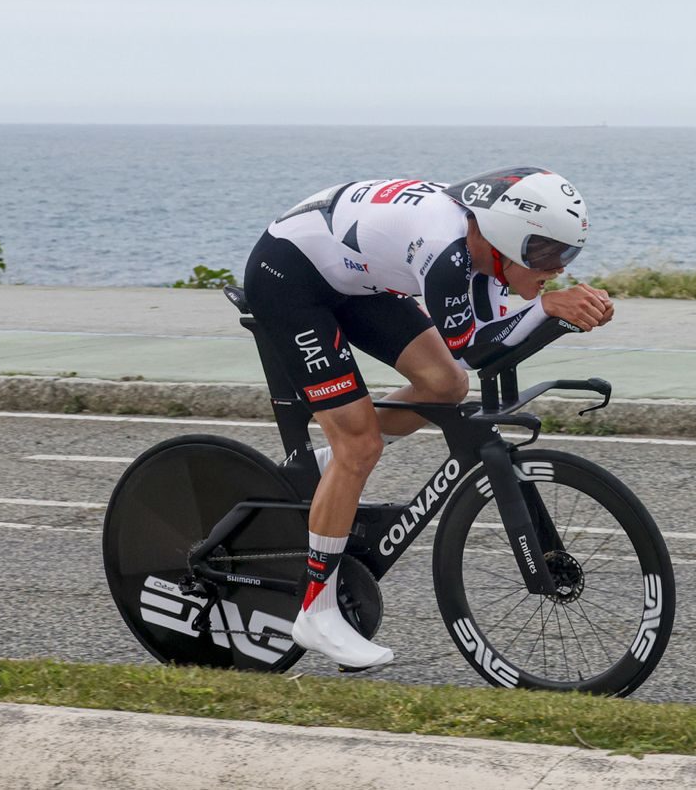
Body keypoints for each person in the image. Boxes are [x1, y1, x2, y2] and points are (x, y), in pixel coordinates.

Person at [242, 166, 613, 670]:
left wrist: (549, 311)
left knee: (444, 385)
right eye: (547, 254)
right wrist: (547, 307)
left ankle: (327, 467)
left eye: (567, 255)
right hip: (289, 276)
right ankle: (316, 610)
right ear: (506, 237)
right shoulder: (447, 250)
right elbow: (479, 348)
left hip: (351, 278)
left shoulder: (482, 244)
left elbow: (474, 353)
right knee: (361, 447)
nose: (559, 267)